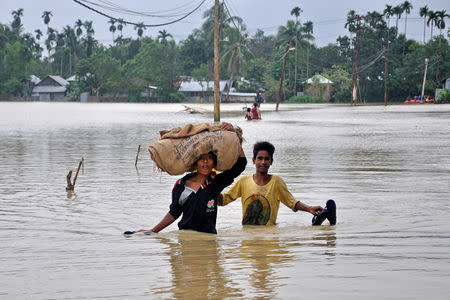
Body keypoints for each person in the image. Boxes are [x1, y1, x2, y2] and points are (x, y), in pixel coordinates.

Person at [137, 122, 247, 234]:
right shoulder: (181, 185)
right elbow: (174, 212)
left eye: (209, 157)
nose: (205, 161)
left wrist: (233, 135)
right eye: (201, 158)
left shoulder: (215, 182)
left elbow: (241, 164)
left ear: (214, 162)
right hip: (186, 237)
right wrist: (152, 231)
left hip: (208, 238)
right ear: (194, 162)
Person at [218, 141, 336, 226]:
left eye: (267, 159)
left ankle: (321, 219)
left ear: (271, 162)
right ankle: (318, 221)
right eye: (260, 158)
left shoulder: (276, 182)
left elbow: (292, 202)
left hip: (269, 235)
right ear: (254, 161)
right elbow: (223, 200)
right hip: (248, 234)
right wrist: (211, 189)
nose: (263, 162)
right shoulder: (243, 181)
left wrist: (309, 208)